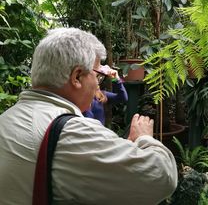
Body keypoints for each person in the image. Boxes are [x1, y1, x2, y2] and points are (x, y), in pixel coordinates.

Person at [0, 28, 178, 205]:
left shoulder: (7, 119)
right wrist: (144, 138)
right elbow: (162, 177)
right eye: (98, 75)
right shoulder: (71, 133)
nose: (97, 84)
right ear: (77, 77)